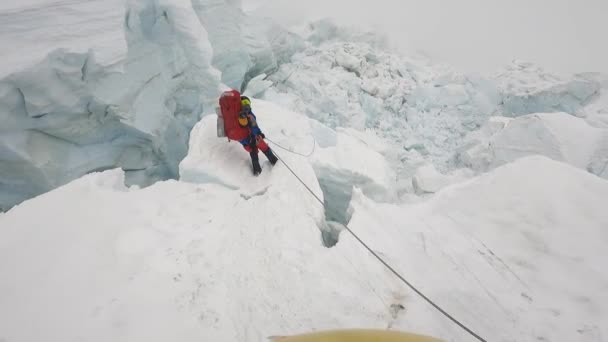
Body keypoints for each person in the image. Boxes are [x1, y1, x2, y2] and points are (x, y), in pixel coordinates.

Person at [237, 96, 278, 175]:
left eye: (247, 103)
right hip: (254, 137)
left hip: (245, 141)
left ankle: (257, 172)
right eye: (245, 103)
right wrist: (259, 134)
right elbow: (254, 127)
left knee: (253, 154)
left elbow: (238, 133)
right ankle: (275, 162)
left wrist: (245, 142)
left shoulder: (236, 115)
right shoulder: (249, 115)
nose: (247, 105)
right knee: (265, 148)